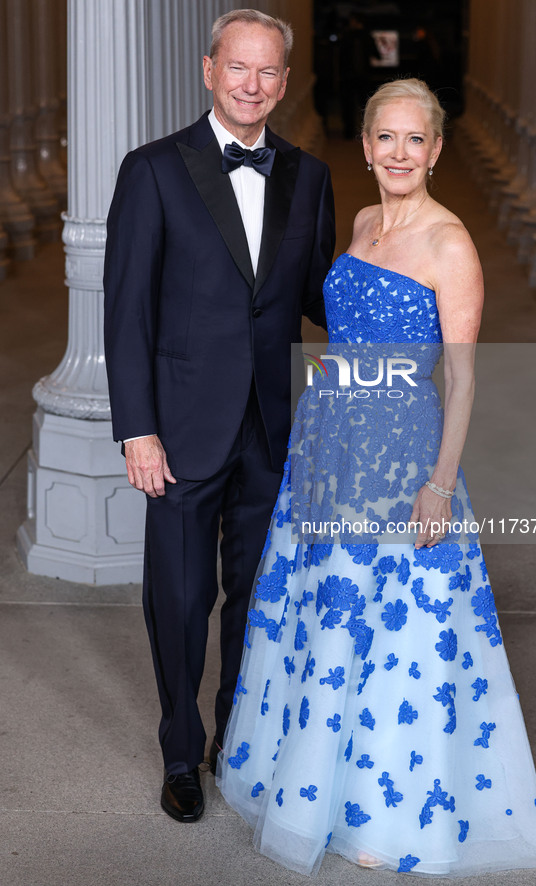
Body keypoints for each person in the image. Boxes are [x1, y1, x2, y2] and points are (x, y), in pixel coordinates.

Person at [217, 79, 536, 876]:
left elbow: (464, 379)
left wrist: (438, 484)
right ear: (366, 144)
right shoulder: (365, 220)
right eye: (385, 138)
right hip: (329, 444)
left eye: (415, 140)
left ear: (436, 150)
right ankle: (315, 790)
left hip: (401, 456)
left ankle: (384, 813)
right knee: (321, 608)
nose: (399, 153)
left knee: (391, 630)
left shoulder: (450, 244)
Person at [103, 9, 335, 824]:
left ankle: (233, 730)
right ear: (209, 71)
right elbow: (125, 310)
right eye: (238, 68)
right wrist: (136, 427)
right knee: (179, 592)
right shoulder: (153, 170)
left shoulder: (308, 175)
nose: (253, 85)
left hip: (273, 426)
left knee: (254, 594)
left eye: (268, 72)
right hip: (177, 427)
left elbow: (316, 298)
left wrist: (396, 277)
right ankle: (178, 746)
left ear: (282, 80)